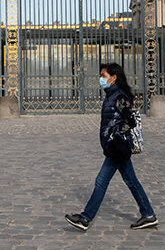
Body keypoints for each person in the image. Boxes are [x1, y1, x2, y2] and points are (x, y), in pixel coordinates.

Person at [65, 63, 158, 231]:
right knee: (131, 181)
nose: (101, 79)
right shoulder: (111, 95)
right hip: (115, 147)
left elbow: (130, 121)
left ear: (113, 78)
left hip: (117, 147)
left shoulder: (119, 97)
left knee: (101, 181)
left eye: (103, 75)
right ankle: (148, 214)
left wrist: (116, 134)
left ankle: (86, 218)